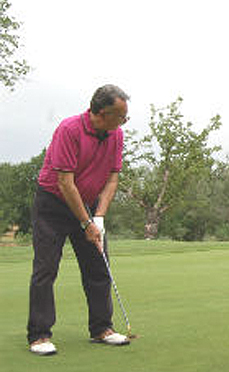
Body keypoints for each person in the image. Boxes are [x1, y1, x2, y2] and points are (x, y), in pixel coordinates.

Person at [27, 84, 131, 355]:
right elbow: (65, 182)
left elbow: (112, 178)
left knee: (98, 266)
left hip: (89, 203)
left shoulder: (115, 134)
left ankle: (102, 328)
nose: (123, 122)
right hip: (53, 204)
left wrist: (99, 217)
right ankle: (39, 335)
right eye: (121, 116)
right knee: (46, 269)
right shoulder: (69, 129)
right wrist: (86, 224)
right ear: (102, 113)